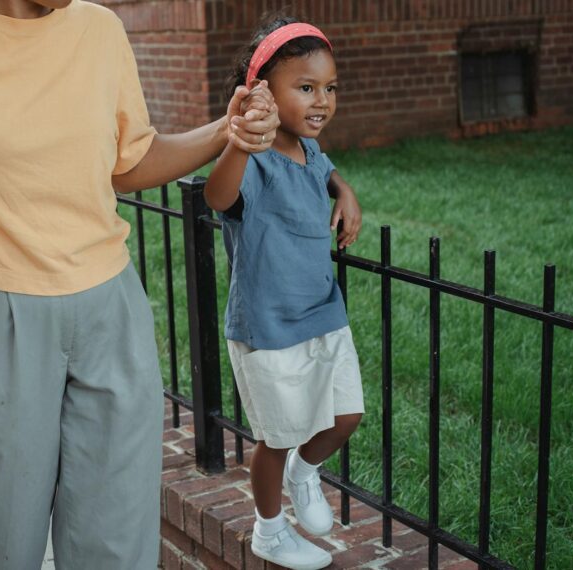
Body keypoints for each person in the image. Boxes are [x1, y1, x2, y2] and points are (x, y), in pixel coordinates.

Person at [0, 1, 280, 568]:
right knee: (3, 545)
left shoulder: (100, 29)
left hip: (111, 310)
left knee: (118, 545)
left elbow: (130, 161)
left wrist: (226, 130)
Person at [204, 15, 365, 570]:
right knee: (277, 436)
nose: (322, 100)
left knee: (346, 416)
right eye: (306, 87)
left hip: (324, 312)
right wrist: (241, 141)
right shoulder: (255, 156)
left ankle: (306, 471)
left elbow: (324, 171)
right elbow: (218, 197)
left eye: (330, 87)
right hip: (269, 326)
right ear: (264, 94)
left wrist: (344, 190)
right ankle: (270, 531)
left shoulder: (310, 150)